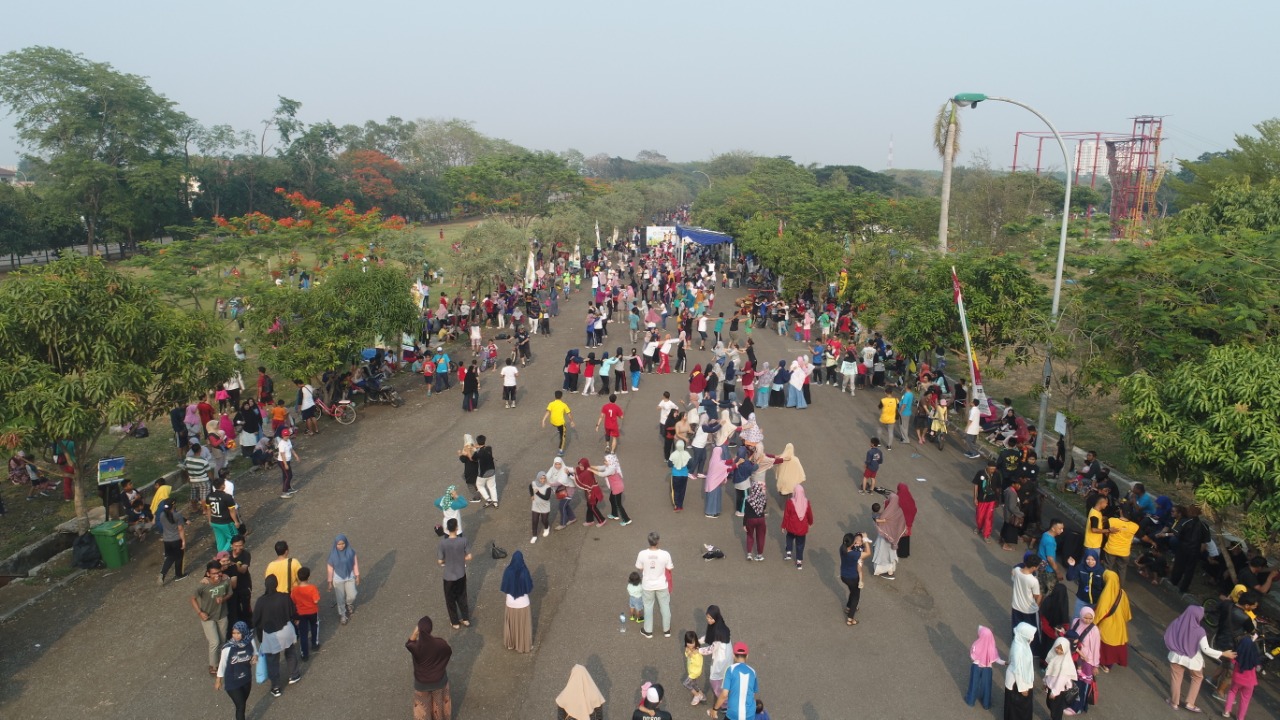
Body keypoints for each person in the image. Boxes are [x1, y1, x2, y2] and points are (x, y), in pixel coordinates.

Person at [1164, 605, 1232, 713]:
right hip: (1193, 660)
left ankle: (1174, 702)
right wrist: (1223, 653)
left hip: (1176, 656)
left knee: (1176, 680)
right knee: (1197, 678)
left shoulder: (1177, 622)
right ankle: (1190, 703)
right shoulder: (1200, 631)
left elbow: (1168, 635)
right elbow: (1205, 649)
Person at [253, 575, 301, 697]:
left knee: (272, 660)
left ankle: (276, 687)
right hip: (286, 630)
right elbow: (293, 613)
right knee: (290, 652)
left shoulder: (260, 601)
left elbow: (256, 621)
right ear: (276, 584)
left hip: (270, 635)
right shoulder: (284, 597)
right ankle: (293, 675)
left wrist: (260, 638)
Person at [406, 616, 453, 720]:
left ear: (419, 629)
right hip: (439, 681)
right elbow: (448, 652)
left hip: (421, 684)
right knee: (439, 706)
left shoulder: (416, 647)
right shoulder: (440, 643)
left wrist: (415, 632)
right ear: (430, 629)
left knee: (423, 708)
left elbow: (409, 644)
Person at [191, 560, 233, 675]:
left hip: (222, 615)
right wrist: (200, 612)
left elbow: (230, 593)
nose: (217, 575)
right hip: (207, 617)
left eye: (218, 572)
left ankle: (221, 662)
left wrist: (223, 599)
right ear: (208, 574)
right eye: (213, 573)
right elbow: (192, 599)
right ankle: (213, 666)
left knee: (223, 640)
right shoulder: (203, 585)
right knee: (214, 641)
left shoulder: (225, 580)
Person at [214, 621, 255, 720]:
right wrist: (218, 681)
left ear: (244, 632)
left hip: (246, 679)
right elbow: (222, 665)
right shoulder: (228, 648)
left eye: (238, 633)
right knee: (240, 706)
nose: (235, 636)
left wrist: (255, 657)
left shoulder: (249, 642)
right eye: (234, 633)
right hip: (232, 682)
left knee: (243, 703)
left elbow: (255, 652)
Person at [636, 531, 674, 639]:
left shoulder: (642, 554)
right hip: (662, 584)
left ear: (648, 541)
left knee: (648, 607)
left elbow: (639, 568)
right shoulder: (665, 554)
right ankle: (667, 630)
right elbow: (670, 568)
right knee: (665, 607)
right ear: (658, 541)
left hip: (647, 585)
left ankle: (648, 631)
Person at [437, 518, 472, 629]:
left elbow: (440, 560)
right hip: (461, 574)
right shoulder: (463, 541)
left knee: (450, 599)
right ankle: (465, 619)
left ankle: (455, 622)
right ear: (457, 528)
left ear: (447, 529)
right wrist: (462, 558)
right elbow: (469, 556)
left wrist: (447, 560)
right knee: (462, 596)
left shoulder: (443, 543)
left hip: (448, 576)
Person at [708, 642, 757, 720]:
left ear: (733, 655)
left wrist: (715, 709)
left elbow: (724, 694)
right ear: (747, 656)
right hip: (749, 714)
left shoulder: (730, 670)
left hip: (734, 713)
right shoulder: (753, 672)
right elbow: (752, 693)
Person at [1093, 569, 1131, 670]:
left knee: (1105, 647)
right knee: (1115, 647)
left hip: (1107, 625)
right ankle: (1108, 666)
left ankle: (1102, 663)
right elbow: (1127, 612)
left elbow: (1100, 611)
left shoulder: (1106, 595)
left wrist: (1093, 623)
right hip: (1120, 625)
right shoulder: (1122, 593)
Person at [501, 550, 534, 653]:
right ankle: (523, 646)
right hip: (523, 603)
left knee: (511, 624)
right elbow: (528, 588)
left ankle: (511, 644)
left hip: (510, 602)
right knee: (523, 626)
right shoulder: (524, 571)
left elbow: (505, 587)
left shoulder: (508, 571)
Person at [964, 625, 1005, 709]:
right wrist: (1006, 663)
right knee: (987, 686)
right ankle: (986, 703)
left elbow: (972, 657)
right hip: (987, 668)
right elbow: (998, 660)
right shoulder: (992, 647)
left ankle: (971, 700)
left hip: (976, 667)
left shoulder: (976, 644)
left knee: (973, 684)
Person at [1223, 635, 1261, 720]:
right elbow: (1258, 667)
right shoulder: (1253, 656)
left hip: (1237, 678)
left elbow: (1232, 663)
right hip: (1249, 682)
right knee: (1245, 700)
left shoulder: (1238, 653)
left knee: (1232, 692)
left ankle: (1227, 711)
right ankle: (1240, 717)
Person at [1004, 622, 1037, 720]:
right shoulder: (1018, 648)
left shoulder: (1019, 642)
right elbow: (1017, 670)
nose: (1032, 638)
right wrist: (1022, 688)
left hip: (1022, 680)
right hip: (1017, 683)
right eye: (1030, 636)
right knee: (1018, 707)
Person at [872, 487, 906, 579]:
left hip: (884, 538)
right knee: (891, 554)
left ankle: (880, 571)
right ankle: (890, 571)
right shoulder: (899, 511)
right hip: (893, 537)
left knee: (882, 553)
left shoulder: (887, 512)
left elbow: (879, 521)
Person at [326, 534, 360, 626]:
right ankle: (343, 614)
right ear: (335, 545)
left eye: (343, 543)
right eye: (339, 544)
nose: (341, 546)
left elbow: (355, 564)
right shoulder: (333, 555)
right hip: (338, 579)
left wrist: (357, 576)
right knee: (340, 598)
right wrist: (329, 582)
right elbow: (330, 569)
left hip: (349, 576)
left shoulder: (351, 552)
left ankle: (348, 603)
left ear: (346, 543)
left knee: (352, 595)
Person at [1044, 636, 1079, 720]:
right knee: (1050, 705)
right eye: (1057, 648)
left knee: (1056, 709)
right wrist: (1045, 682)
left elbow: (1061, 680)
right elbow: (1049, 672)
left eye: (1061, 649)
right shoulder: (1055, 657)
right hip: (1051, 687)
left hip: (1058, 691)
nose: (1058, 651)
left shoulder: (1065, 663)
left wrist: (1055, 692)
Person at [840, 532, 871, 625]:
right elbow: (868, 553)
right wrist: (865, 539)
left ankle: (849, 607)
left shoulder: (842, 548)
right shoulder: (854, 554)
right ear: (852, 544)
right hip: (852, 578)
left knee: (852, 591)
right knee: (856, 597)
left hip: (843, 576)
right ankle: (850, 619)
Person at [592, 453, 631, 525]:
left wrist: (591, 470)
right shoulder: (609, 466)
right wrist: (590, 467)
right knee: (612, 499)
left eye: (606, 461)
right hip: (616, 486)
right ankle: (614, 514)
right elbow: (600, 468)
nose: (604, 462)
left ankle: (626, 519)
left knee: (618, 504)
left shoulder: (611, 469)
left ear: (610, 461)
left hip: (617, 487)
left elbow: (602, 474)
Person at [290, 566, 320, 659]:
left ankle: (304, 653)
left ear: (298, 578)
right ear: (308, 577)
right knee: (314, 627)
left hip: (301, 613)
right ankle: (314, 643)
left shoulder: (295, 590)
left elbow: (293, 601)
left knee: (303, 633)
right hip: (312, 611)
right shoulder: (312, 588)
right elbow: (316, 601)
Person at [781, 484, 814, 569]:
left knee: (789, 537)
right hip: (802, 528)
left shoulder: (790, 502)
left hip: (791, 526)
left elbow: (786, 515)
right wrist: (810, 522)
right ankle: (799, 561)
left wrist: (783, 526)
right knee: (800, 544)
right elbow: (809, 514)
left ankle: (788, 551)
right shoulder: (806, 502)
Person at [156, 499, 188, 585]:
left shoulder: (162, 515)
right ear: (173, 506)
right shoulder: (177, 515)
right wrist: (184, 541)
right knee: (179, 557)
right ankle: (178, 575)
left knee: (170, 557)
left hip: (167, 540)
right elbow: (180, 529)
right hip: (176, 539)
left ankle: (162, 573)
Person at [205, 479, 239, 553]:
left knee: (220, 541)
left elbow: (208, 509)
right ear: (223, 485)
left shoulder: (209, 496)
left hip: (214, 522)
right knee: (234, 539)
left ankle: (221, 556)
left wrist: (209, 520)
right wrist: (236, 521)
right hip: (226, 522)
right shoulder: (227, 497)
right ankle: (221, 556)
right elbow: (232, 511)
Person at [1011, 554, 1042, 634]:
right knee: (1031, 632)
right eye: (1037, 566)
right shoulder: (1033, 580)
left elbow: (1014, 570)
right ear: (1033, 567)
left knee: (1016, 629)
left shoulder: (1017, 570)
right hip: (1029, 610)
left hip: (1016, 607)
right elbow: (1036, 596)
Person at [972, 460, 1000, 542]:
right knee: (980, 516)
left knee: (989, 518)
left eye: (994, 469)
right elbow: (976, 485)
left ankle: (986, 535)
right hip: (982, 499)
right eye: (991, 469)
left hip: (991, 500)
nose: (992, 471)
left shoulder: (997, 474)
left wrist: (998, 500)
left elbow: (998, 488)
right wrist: (975, 498)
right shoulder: (980, 473)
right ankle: (979, 527)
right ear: (987, 467)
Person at [575, 457, 607, 526]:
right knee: (589, 506)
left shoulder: (586, 473)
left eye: (581, 465)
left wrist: (570, 475)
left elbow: (579, 480)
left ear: (585, 465)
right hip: (592, 491)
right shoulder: (587, 469)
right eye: (579, 465)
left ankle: (602, 520)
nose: (580, 467)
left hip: (593, 492)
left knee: (592, 507)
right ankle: (590, 520)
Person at [542, 390, 575, 456]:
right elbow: (569, 414)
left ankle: (558, 430)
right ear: (561, 396)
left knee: (557, 424)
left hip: (553, 422)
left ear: (555, 396)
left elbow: (548, 412)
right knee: (563, 436)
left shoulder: (551, 404)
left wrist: (543, 420)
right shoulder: (564, 405)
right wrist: (571, 421)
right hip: (560, 423)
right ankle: (560, 450)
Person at [999, 476, 1025, 551]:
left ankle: (1001, 539)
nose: (1019, 487)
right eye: (1018, 485)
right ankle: (1006, 545)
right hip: (1011, 515)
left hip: (1006, 513)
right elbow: (1012, 507)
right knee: (1010, 531)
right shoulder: (1013, 493)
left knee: (1005, 527)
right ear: (1013, 484)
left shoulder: (1007, 490)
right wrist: (1020, 514)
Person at [684, 630, 707, 706]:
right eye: (688, 643)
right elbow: (687, 655)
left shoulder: (697, 653)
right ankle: (702, 696)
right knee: (694, 684)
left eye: (692, 643)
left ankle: (697, 695)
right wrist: (688, 652)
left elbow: (698, 663)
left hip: (694, 672)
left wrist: (692, 655)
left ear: (696, 642)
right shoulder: (689, 649)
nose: (690, 645)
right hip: (691, 671)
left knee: (686, 684)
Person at [668, 440, 692, 512]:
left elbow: (669, 464)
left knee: (675, 490)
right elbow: (690, 464)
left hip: (676, 474)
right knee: (682, 490)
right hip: (684, 474)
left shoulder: (673, 454)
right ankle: (680, 505)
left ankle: (676, 505)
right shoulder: (687, 454)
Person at [530, 471, 553, 543]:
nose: (543, 480)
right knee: (534, 521)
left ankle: (546, 528)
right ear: (538, 478)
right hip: (536, 505)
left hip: (545, 506)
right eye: (541, 478)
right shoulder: (534, 483)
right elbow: (530, 487)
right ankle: (534, 536)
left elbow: (546, 497)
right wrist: (532, 495)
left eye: (544, 478)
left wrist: (537, 493)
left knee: (544, 520)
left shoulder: (548, 487)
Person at [896, 482, 918, 558]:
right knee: (905, 538)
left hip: (900, 522)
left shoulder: (898, 498)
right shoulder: (910, 498)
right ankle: (905, 553)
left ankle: (898, 552)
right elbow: (914, 509)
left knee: (899, 536)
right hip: (908, 522)